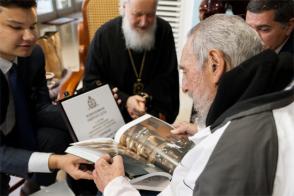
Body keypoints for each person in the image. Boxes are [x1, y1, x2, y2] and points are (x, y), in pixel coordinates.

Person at [92, 14, 294, 196]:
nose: (185, 86)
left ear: (215, 64)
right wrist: (204, 130)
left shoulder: (234, 146)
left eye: (186, 71)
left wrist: (115, 187)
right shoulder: (278, 94)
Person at [0, 1, 92, 195]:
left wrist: (86, 111)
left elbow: (40, 107)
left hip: (16, 128)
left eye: (32, 26)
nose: (30, 37)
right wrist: (57, 161)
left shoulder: (33, 55)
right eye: (16, 27)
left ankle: (34, 185)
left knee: (59, 136)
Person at [83, 0, 179, 123]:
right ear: (124, 8)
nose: (144, 23)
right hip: (115, 113)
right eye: (138, 14)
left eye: (150, 14)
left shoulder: (164, 31)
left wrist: (144, 98)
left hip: (151, 109)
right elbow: (91, 81)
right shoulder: (104, 35)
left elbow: (168, 77)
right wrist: (126, 100)